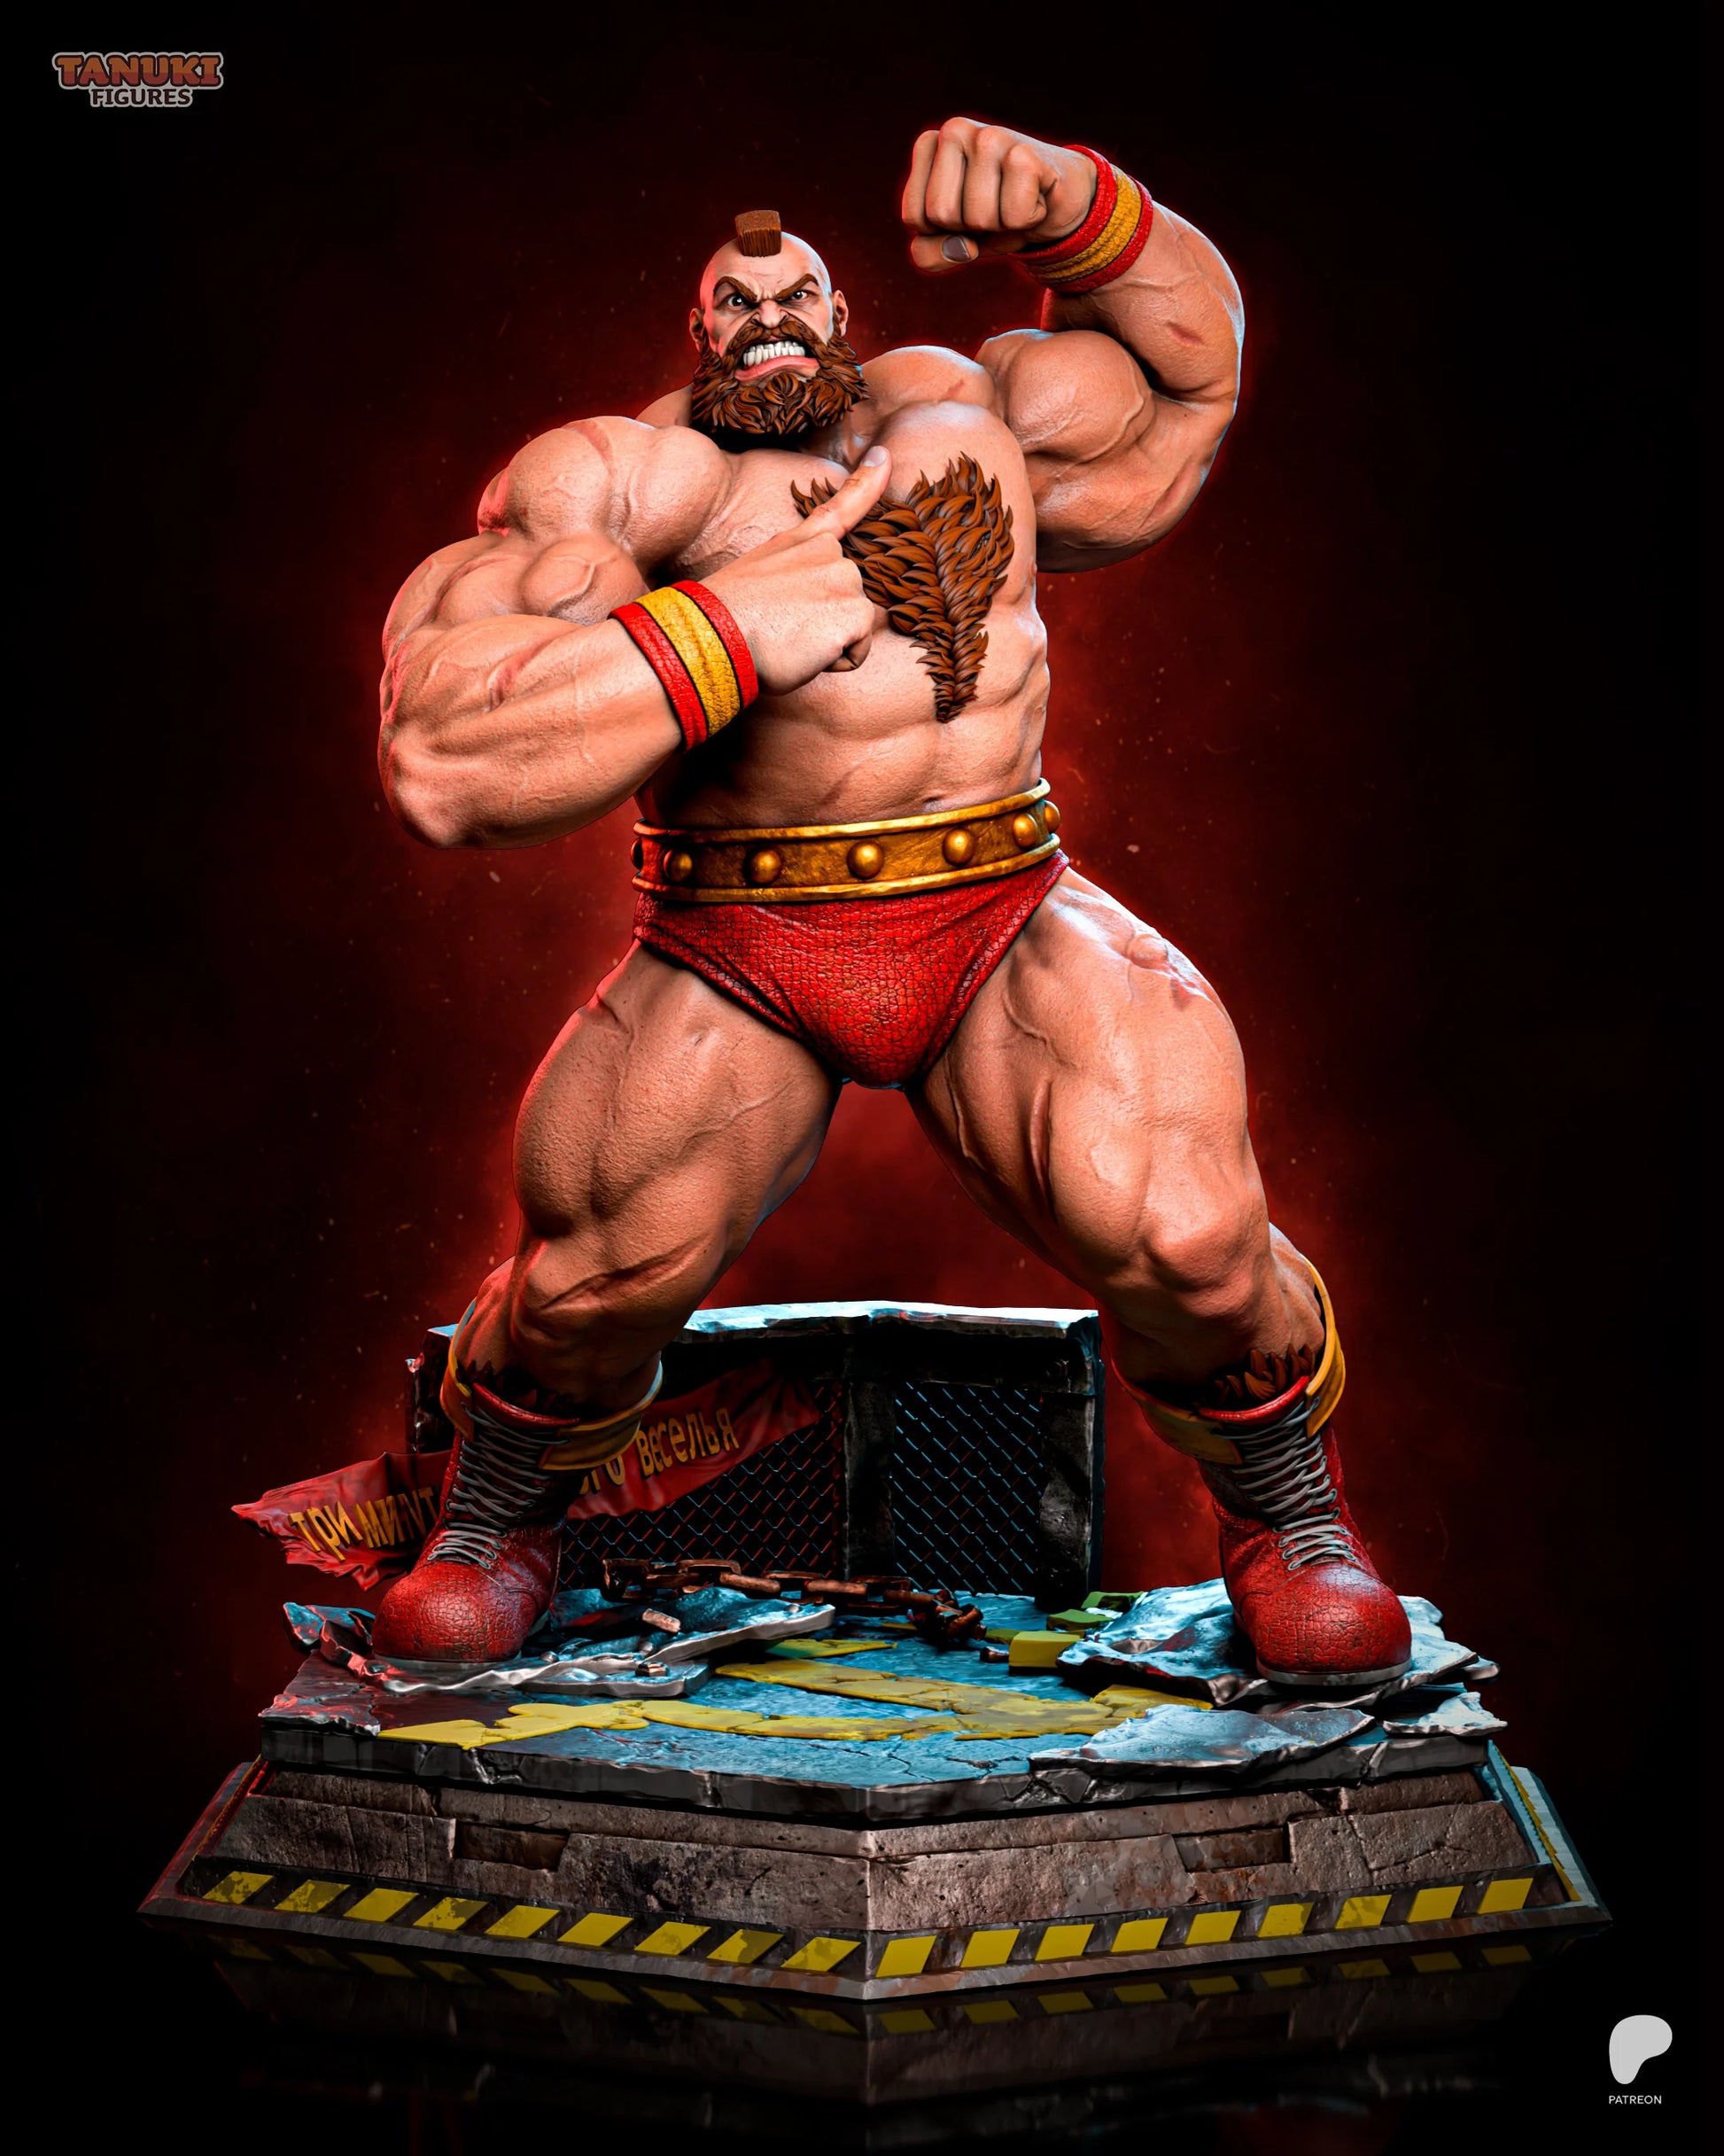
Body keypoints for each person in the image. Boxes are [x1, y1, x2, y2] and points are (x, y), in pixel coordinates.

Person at [370, 121, 1410, 1686]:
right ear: (698, 329)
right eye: (735, 303)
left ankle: (1290, 1516)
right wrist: (739, 622)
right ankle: (493, 1517)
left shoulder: (960, 415)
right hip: (739, 934)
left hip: (994, 898)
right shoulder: (627, 478)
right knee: (592, 1284)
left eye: (795, 295)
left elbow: (1182, 385)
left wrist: (1080, 208)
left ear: (842, 312)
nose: (769, 318)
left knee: (1194, 1235)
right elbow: (446, 753)